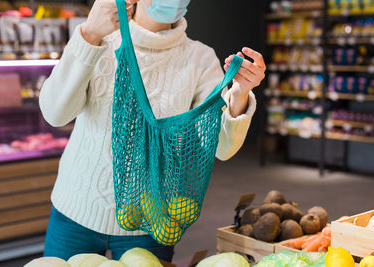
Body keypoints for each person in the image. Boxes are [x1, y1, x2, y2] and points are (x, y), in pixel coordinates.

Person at [39, 0, 266, 262]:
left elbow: (222, 148)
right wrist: (88, 34)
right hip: (75, 211)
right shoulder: (100, 39)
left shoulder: (200, 60)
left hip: (150, 219)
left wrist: (239, 96)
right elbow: (55, 113)